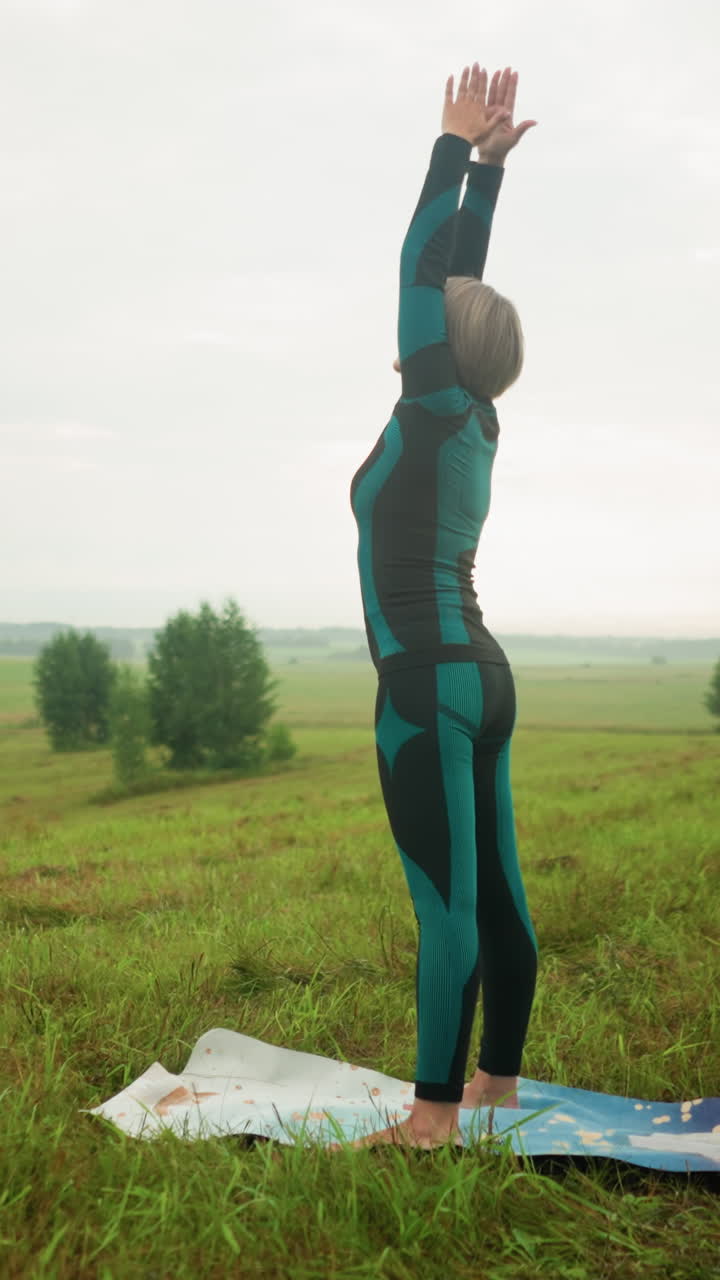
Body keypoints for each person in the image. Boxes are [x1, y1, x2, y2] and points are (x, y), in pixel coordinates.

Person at [346, 63, 539, 1151]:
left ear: (442, 346)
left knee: (447, 903)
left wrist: (453, 150)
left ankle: (430, 1119)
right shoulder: (474, 415)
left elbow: (421, 269)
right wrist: (491, 180)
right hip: (484, 674)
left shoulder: (432, 403)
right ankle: (495, 1084)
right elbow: (457, 283)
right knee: (498, 891)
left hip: (425, 682)